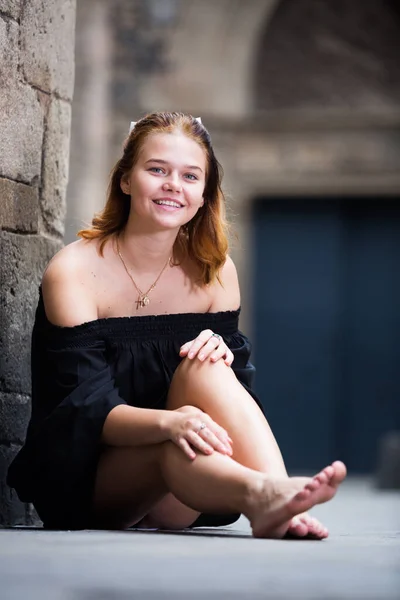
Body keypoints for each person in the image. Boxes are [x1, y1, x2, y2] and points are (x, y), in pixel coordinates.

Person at [7, 112, 346, 538]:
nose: (173, 185)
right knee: (170, 442)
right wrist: (172, 421)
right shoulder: (74, 271)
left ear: (204, 195)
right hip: (88, 483)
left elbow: (231, 409)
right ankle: (267, 497)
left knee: (207, 365)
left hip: (186, 485)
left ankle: (278, 499)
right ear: (126, 180)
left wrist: (221, 359)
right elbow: (85, 410)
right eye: (157, 170)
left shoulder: (215, 272)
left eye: (190, 176)